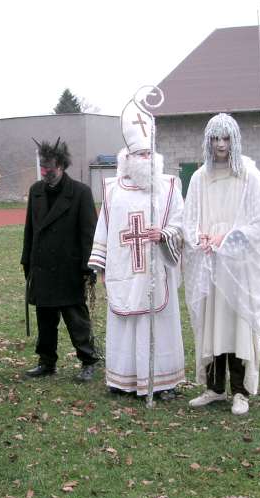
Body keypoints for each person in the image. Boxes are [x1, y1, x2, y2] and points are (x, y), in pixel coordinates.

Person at [88, 98, 185, 400]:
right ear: (127, 158)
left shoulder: (169, 187)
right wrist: (99, 264)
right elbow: (104, 227)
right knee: (125, 324)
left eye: (148, 153)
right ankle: (123, 380)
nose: (145, 158)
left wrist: (165, 234)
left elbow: (181, 224)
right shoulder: (112, 189)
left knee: (158, 325)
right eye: (139, 154)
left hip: (157, 269)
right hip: (124, 270)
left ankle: (162, 382)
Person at [183, 113, 260, 415]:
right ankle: (214, 388)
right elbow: (189, 220)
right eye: (215, 139)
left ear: (235, 140)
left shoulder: (249, 176)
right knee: (212, 325)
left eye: (226, 138)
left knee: (237, 326)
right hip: (210, 266)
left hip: (238, 268)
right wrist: (200, 237)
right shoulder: (199, 178)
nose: (221, 145)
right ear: (207, 141)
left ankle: (240, 391)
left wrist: (227, 238)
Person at [21, 138, 100, 382]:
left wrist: (89, 266)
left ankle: (88, 360)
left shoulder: (80, 192)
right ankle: (46, 362)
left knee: (76, 319)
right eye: (42, 167)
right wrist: (27, 262)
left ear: (62, 165)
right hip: (42, 267)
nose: (45, 172)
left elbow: (89, 232)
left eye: (50, 168)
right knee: (45, 320)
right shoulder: (36, 191)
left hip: (70, 268)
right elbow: (30, 230)